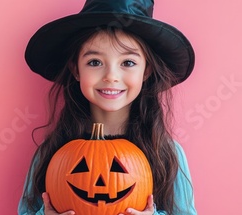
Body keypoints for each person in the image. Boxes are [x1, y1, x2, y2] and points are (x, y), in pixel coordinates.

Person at [18, 0, 197, 214]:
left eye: (128, 63)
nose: (111, 76)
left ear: (146, 71)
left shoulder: (167, 153)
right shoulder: (52, 150)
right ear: (76, 70)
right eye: (95, 62)